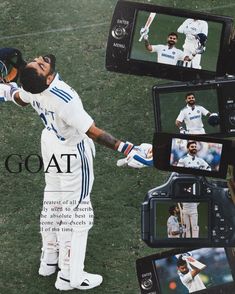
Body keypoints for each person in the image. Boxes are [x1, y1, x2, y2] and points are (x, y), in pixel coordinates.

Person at [0, 52, 153, 291]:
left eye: (38, 61)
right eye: (41, 64)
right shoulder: (63, 96)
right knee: (79, 215)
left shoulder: (31, 85)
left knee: (53, 201)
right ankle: (70, 276)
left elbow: (19, 97)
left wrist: (4, 89)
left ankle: (49, 260)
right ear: (48, 79)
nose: (42, 58)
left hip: (50, 142)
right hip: (72, 150)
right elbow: (91, 131)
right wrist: (127, 148)